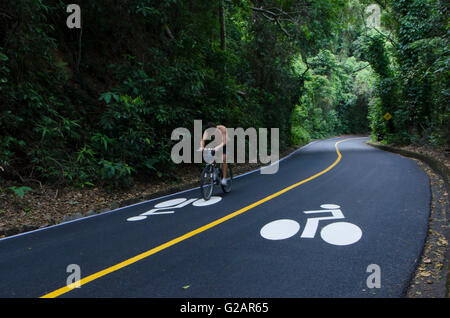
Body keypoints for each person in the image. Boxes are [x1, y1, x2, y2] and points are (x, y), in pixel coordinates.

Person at [199, 121, 229, 185]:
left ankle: (224, 178)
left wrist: (217, 148)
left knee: (223, 158)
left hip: (225, 142)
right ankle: (215, 171)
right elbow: (203, 140)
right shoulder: (206, 132)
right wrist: (202, 147)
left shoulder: (222, 129)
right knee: (212, 156)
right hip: (216, 143)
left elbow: (224, 142)